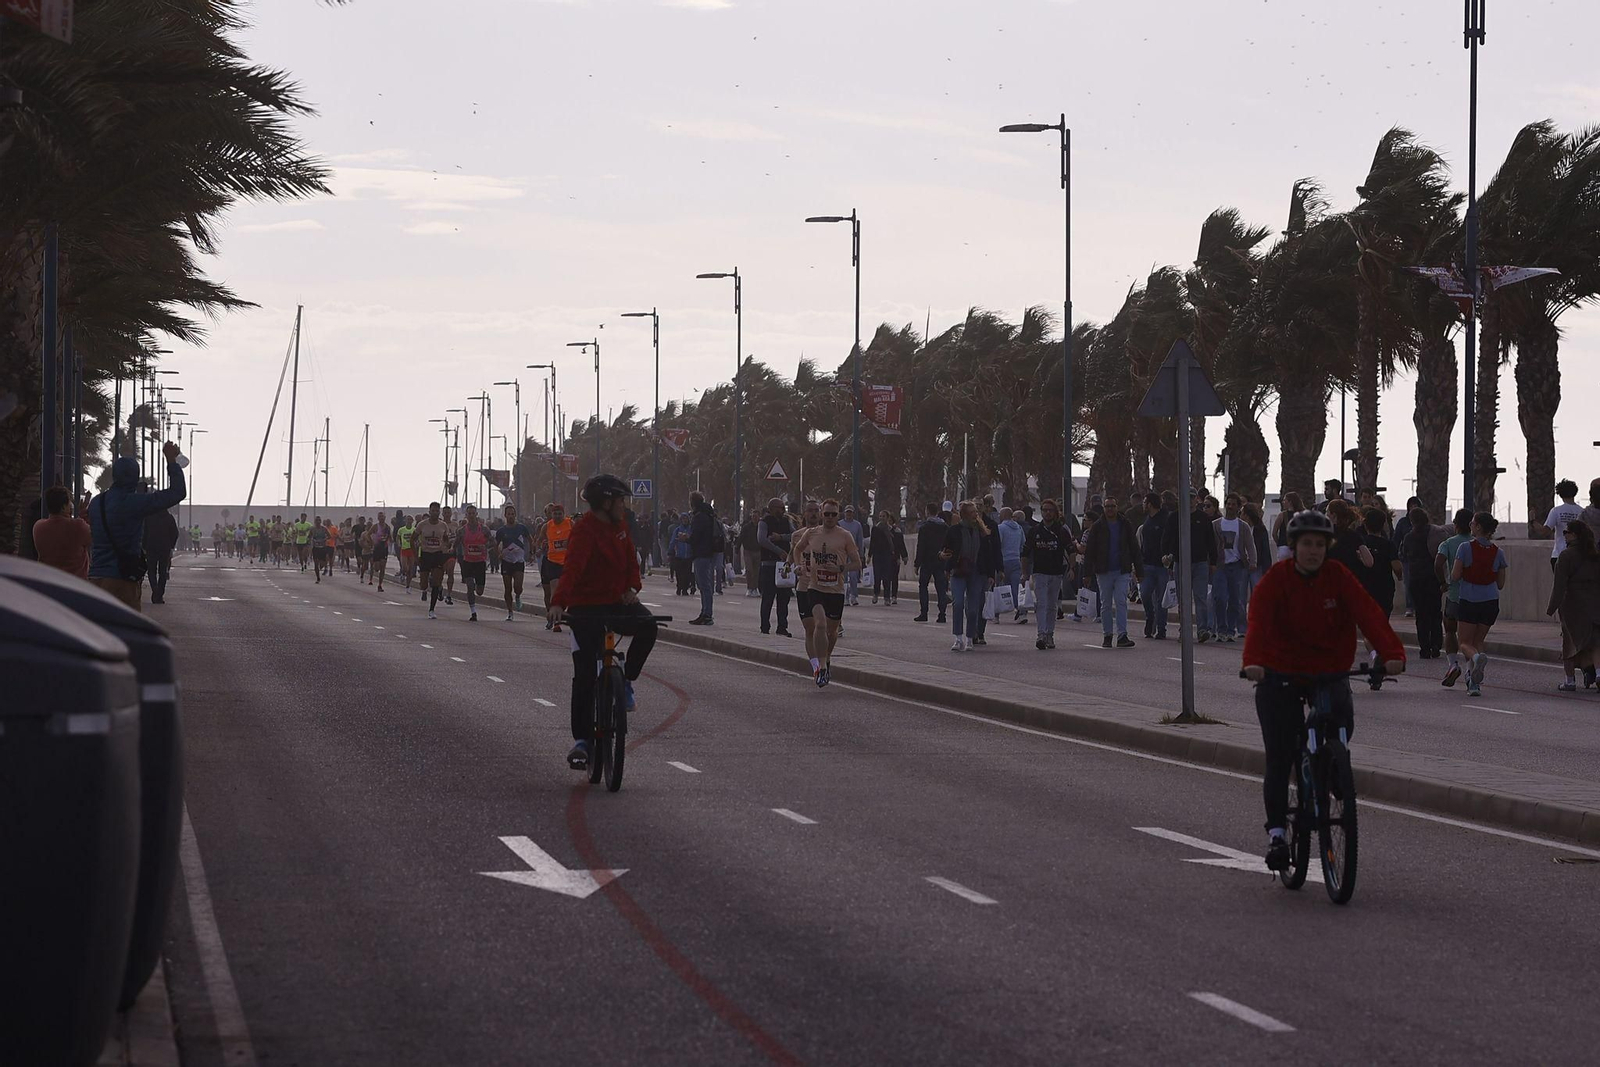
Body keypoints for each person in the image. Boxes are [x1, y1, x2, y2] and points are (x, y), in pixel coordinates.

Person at [1243, 509, 1405, 871]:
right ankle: (1277, 835)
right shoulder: (1276, 579)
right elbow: (1258, 621)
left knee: (1341, 720)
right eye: (1306, 544)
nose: (1313, 551)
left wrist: (1392, 653)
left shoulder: (1338, 577)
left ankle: (1333, 771)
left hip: (1329, 669)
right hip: (1280, 672)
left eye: (1320, 544)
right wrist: (1253, 662)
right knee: (1280, 755)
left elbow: (1369, 614)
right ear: (1294, 546)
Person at [550, 475, 657, 771]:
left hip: (616, 601)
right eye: (621, 501)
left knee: (649, 625)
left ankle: (628, 680)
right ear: (606, 503)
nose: (624, 506)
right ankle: (582, 742)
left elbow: (631, 562)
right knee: (584, 675)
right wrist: (558, 603)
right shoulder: (584, 531)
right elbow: (572, 569)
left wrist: (632, 588)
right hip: (585, 607)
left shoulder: (620, 527)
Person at [88, 446, 187, 612]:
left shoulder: (96, 502)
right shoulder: (134, 503)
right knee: (126, 626)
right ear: (134, 477)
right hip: (122, 580)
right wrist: (171, 462)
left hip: (96, 577)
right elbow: (177, 493)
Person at [794, 499, 861, 686]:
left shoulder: (845, 536)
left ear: (838, 515)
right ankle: (821, 668)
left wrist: (840, 568)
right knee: (819, 624)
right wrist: (799, 566)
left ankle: (827, 658)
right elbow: (797, 549)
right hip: (815, 587)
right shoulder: (811, 533)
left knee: (832, 632)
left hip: (836, 589)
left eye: (833, 514)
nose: (830, 517)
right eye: (826, 514)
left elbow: (857, 563)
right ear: (822, 515)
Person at [1450, 512, 1508, 698]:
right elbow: (1500, 583)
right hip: (1490, 601)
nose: (1470, 525)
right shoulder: (1498, 552)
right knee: (1478, 641)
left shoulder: (1465, 548)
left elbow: (1455, 575)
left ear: (1478, 527)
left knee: (1464, 642)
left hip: (1469, 599)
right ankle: (1473, 683)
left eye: (1472, 523)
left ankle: (1476, 659)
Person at [1549, 519, 1600, 693]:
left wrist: (1552, 607)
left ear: (1574, 535)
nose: (1564, 535)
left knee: (1569, 643)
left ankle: (1569, 681)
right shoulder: (1595, 554)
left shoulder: (1566, 556)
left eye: (1566, 532)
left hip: (1573, 604)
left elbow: (1559, 585)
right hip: (1594, 603)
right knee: (1595, 642)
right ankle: (1599, 674)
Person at [1082, 497, 1141, 648]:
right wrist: (1087, 573)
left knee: (1121, 601)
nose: (1110, 509)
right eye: (1107, 506)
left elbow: (1134, 547)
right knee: (1106, 603)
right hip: (1103, 571)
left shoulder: (1125, 524)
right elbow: (1090, 551)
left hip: (1122, 570)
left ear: (1116, 507)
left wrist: (1139, 570)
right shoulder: (1098, 526)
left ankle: (1122, 635)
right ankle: (1107, 635)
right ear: (1104, 508)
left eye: (1112, 506)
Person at [941, 501, 997, 652]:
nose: (975, 514)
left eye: (975, 512)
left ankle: (970, 638)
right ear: (964, 514)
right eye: (972, 512)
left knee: (973, 608)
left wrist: (991, 574)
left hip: (977, 572)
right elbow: (945, 549)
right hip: (958, 571)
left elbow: (989, 554)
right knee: (958, 603)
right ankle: (958, 638)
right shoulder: (954, 530)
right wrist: (944, 559)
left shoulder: (982, 532)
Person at [1163, 491, 1218, 641]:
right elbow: (1166, 538)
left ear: (1196, 500)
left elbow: (1210, 541)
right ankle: (1184, 631)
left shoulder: (1203, 518)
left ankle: (1202, 630)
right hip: (1180, 562)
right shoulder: (1174, 517)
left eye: (1192, 497)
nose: (1190, 500)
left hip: (1200, 563)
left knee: (1200, 598)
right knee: (1183, 599)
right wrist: (1166, 555)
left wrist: (1213, 562)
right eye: (1187, 496)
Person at [1209, 494, 1257, 643]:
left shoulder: (1243, 526)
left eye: (1233, 504)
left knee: (1235, 600)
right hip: (1220, 566)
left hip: (1237, 566)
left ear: (1238, 507)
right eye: (1228, 504)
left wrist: (1253, 561)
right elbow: (1210, 545)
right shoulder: (1216, 525)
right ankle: (1221, 630)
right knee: (1220, 598)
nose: (1230, 507)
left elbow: (1250, 545)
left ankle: (1231, 630)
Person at [1435, 509, 1474, 687]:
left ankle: (1453, 664)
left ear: (1455, 525)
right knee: (1470, 638)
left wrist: (1443, 582)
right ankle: (1470, 671)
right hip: (1474, 596)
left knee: (1450, 630)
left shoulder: (1448, 543)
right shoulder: (1476, 544)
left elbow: (1438, 563)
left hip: (1454, 594)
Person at [1026, 498, 1072, 650]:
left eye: (1050, 510)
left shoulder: (1061, 531)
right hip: (1039, 572)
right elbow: (1025, 552)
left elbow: (1071, 550)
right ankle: (1041, 634)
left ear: (1055, 513)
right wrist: (1024, 572)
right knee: (1042, 603)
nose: (1047, 513)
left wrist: (1071, 568)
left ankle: (1049, 634)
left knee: (1052, 605)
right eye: (1044, 510)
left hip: (1056, 572)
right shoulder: (1035, 531)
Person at [1401, 507, 1444, 659]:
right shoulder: (1433, 533)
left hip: (1416, 578)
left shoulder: (1409, 537)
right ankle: (1436, 644)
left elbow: (1404, 554)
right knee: (1435, 613)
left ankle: (1424, 647)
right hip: (1432, 577)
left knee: (1421, 614)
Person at [33, 484, 92, 578]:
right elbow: (92, 536)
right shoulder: (78, 526)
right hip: (75, 583)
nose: (71, 506)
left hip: (48, 581)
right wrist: (83, 513)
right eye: (69, 503)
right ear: (63, 507)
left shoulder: (38, 527)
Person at [757, 496, 795, 636]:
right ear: (772, 509)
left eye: (783, 508)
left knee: (783, 598)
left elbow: (794, 535)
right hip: (769, 564)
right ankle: (764, 627)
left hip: (783, 565)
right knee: (768, 597)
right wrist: (778, 551)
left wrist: (781, 537)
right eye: (779, 508)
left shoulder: (786, 521)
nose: (782, 510)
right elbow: (762, 540)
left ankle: (782, 627)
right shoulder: (764, 522)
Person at [1138, 493, 1170, 640]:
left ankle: (1161, 628)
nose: (1143, 505)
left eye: (1145, 502)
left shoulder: (1165, 519)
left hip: (1162, 566)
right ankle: (1150, 617)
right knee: (1145, 594)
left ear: (1150, 503)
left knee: (1161, 599)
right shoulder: (1147, 521)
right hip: (1147, 564)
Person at [413, 502, 453, 619]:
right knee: (423, 585)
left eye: (437, 511)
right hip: (425, 554)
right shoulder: (422, 525)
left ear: (439, 512)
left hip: (438, 554)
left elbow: (446, 539)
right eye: (433, 511)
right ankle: (432, 583)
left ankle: (432, 609)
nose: (435, 513)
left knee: (436, 582)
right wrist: (416, 556)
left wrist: (447, 546)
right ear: (429, 511)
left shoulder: (443, 525)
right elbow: (412, 539)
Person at [912, 502, 949, 624]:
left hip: (927, 561)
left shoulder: (924, 527)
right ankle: (942, 614)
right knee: (941, 588)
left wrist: (917, 563)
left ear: (927, 511)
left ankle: (924, 613)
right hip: (940, 561)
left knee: (923, 586)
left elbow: (921, 546)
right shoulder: (945, 527)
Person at [539, 502, 574, 629]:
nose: (557, 516)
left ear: (564, 514)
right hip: (552, 561)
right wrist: (542, 545)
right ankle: (556, 622)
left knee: (569, 590)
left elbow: (579, 537)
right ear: (551, 515)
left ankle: (568, 615)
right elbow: (539, 539)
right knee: (555, 589)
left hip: (567, 562)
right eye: (555, 514)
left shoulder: (570, 523)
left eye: (560, 514)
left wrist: (571, 543)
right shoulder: (547, 526)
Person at [686, 491, 718, 626]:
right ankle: (705, 613)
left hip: (701, 553)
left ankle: (707, 614)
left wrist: (686, 538)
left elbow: (695, 537)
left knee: (704, 585)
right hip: (708, 552)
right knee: (705, 585)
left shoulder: (699, 517)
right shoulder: (708, 514)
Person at [496, 503, 532, 621]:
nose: (511, 516)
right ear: (505, 515)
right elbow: (496, 544)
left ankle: (518, 595)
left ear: (515, 515)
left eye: (512, 514)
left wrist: (531, 553)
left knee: (518, 587)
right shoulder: (501, 530)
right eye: (509, 514)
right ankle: (510, 611)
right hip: (506, 561)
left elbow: (530, 539)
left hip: (519, 561)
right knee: (507, 588)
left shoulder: (522, 528)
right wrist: (499, 554)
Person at [456, 503, 490, 622]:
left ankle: (477, 586)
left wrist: (485, 547)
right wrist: (450, 549)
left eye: (473, 513)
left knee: (479, 591)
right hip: (468, 561)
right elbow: (456, 543)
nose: (471, 516)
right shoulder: (461, 531)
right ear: (466, 515)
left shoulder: (484, 529)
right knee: (470, 586)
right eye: (469, 514)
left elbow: (492, 542)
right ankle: (473, 611)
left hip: (480, 562)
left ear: (476, 514)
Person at [143, 502, 180, 604]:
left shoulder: (149, 517)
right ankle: (159, 594)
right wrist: (171, 545)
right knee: (163, 572)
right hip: (164, 548)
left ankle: (155, 590)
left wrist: (144, 546)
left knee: (151, 571)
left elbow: (144, 532)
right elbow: (175, 533)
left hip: (151, 547)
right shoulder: (169, 518)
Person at [1545, 480, 1586, 571]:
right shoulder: (1582, 512)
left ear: (1560, 494)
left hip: (1558, 555)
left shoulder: (1556, 511)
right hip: (1579, 555)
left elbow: (1545, 530)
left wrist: (1532, 521)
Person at [995, 507, 1027, 622]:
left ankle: (996, 614)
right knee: (1016, 588)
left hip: (1003, 561)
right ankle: (1021, 612)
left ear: (1003, 515)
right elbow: (1023, 544)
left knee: (999, 588)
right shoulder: (1019, 528)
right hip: (1016, 560)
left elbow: (998, 545)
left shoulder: (1000, 528)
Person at [869, 510, 908, 605]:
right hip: (877, 556)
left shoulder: (892, 530)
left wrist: (903, 556)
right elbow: (872, 543)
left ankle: (887, 598)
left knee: (887, 578)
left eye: (883, 516)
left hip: (887, 556)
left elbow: (898, 544)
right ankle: (876, 593)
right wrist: (869, 555)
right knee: (877, 576)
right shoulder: (875, 529)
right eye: (880, 516)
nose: (882, 518)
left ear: (887, 518)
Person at [836, 505, 865, 606]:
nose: (848, 514)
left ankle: (854, 596)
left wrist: (861, 555)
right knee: (843, 577)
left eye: (850, 512)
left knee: (853, 576)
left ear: (853, 513)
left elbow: (860, 540)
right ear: (844, 513)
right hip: (842, 553)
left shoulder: (857, 525)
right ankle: (845, 597)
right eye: (847, 512)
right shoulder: (839, 524)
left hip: (853, 553)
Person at [740, 509, 762, 597]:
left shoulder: (761, 527)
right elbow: (741, 537)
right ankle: (749, 588)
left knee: (757, 571)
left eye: (756, 516)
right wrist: (737, 547)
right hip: (748, 551)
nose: (754, 518)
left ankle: (755, 588)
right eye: (753, 516)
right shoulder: (746, 527)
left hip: (758, 551)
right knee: (749, 570)